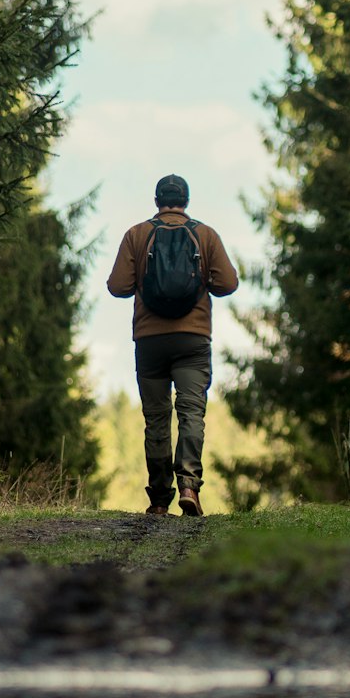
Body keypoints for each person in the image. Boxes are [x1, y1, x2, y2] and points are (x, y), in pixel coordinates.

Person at [107, 174, 238, 516]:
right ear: (186, 201)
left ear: (157, 201)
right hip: (193, 339)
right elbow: (228, 283)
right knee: (191, 412)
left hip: (150, 340)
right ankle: (190, 487)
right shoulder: (205, 235)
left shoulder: (137, 234)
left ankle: (159, 499)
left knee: (156, 418)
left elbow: (117, 286)